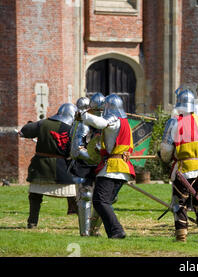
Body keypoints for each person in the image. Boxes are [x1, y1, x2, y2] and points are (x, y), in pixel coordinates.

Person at [159, 89, 198, 242]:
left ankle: (181, 235)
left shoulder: (174, 122)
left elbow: (166, 150)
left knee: (180, 202)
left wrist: (165, 159)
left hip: (183, 170)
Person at [80, 94, 134, 239]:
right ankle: (108, 232)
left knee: (99, 201)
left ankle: (116, 231)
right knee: (104, 202)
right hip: (121, 167)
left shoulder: (114, 120)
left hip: (113, 167)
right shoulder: (125, 122)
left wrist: (84, 114)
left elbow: (100, 123)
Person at [20, 103, 78, 229]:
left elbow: (24, 131)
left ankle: (32, 222)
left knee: (35, 196)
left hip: (41, 167)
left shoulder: (43, 124)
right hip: (62, 169)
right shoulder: (71, 129)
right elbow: (72, 151)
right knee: (75, 195)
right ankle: (84, 223)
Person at [69, 93, 106, 236]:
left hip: (101, 164)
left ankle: (94, 229)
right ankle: (85, 232)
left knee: (105, 198)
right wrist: (94, 157)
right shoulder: (83, 123)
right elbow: (76, 150)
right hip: (84, 165)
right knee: (85, 196)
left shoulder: (106, 122)